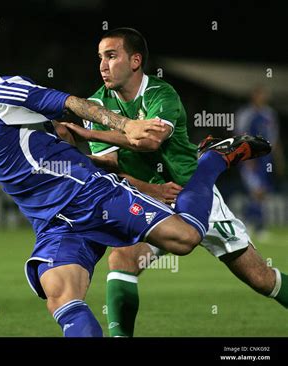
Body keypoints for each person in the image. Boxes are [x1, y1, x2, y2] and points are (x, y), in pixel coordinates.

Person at [0, 37, 270, 337]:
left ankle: (211, 161)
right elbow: (61, 148)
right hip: (54, 224)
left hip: (91, 197)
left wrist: (125, 125)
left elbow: (70, 103)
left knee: (185, 239)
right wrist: (145, 188)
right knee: (59, 294)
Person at [59, 28, 287, 337]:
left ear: (135, 60)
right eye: (100, 57)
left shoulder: (160, 94)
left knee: (262, 279)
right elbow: (111, 164)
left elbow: (151, 140)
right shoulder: (96, 106)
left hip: (192, 191)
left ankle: (212, 157)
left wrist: (89, 135)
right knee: (122, 259)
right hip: (148, 196)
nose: (102, 65)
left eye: (111, 56)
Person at [235, 86, 285, 239]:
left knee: (262, 192)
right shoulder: (245, 113)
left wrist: (278, 159)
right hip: (251, 156)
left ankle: (256, 224)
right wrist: (245, 157)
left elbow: (274, 137)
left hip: (266, 158)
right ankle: (249, 222)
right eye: (259, 94)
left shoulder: (269, 114)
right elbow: (239, 135)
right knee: (256, 190)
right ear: (253, 96)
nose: (262, 97)